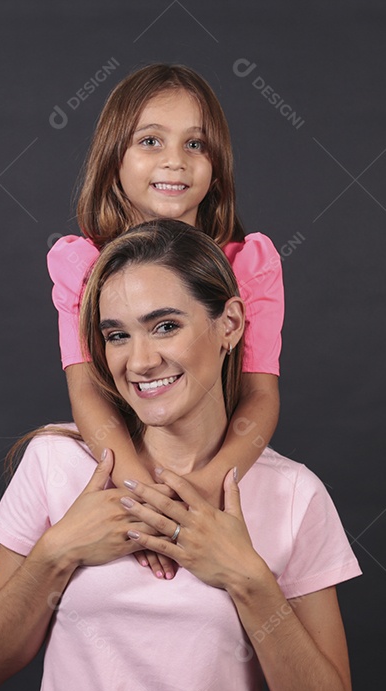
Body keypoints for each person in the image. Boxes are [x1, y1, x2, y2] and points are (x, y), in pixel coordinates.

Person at [0, 220, 360, 691]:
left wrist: (248, 579)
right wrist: (57, 551)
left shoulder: (294, 494)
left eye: (166, 326)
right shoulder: (56, 461)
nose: (140, 361)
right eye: (117, 335)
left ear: (231, 325)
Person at [48, 63, 284, 580]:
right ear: (114, 162)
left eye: (195, 145)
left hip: (211, 474)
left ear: (216, 167)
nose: (175, 161)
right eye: (150, 141)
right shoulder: (80, 265)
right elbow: (86, 389)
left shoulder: (249, 265)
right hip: (124, 468)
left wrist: (200, 499)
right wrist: (145, 501)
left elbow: (260, 397)